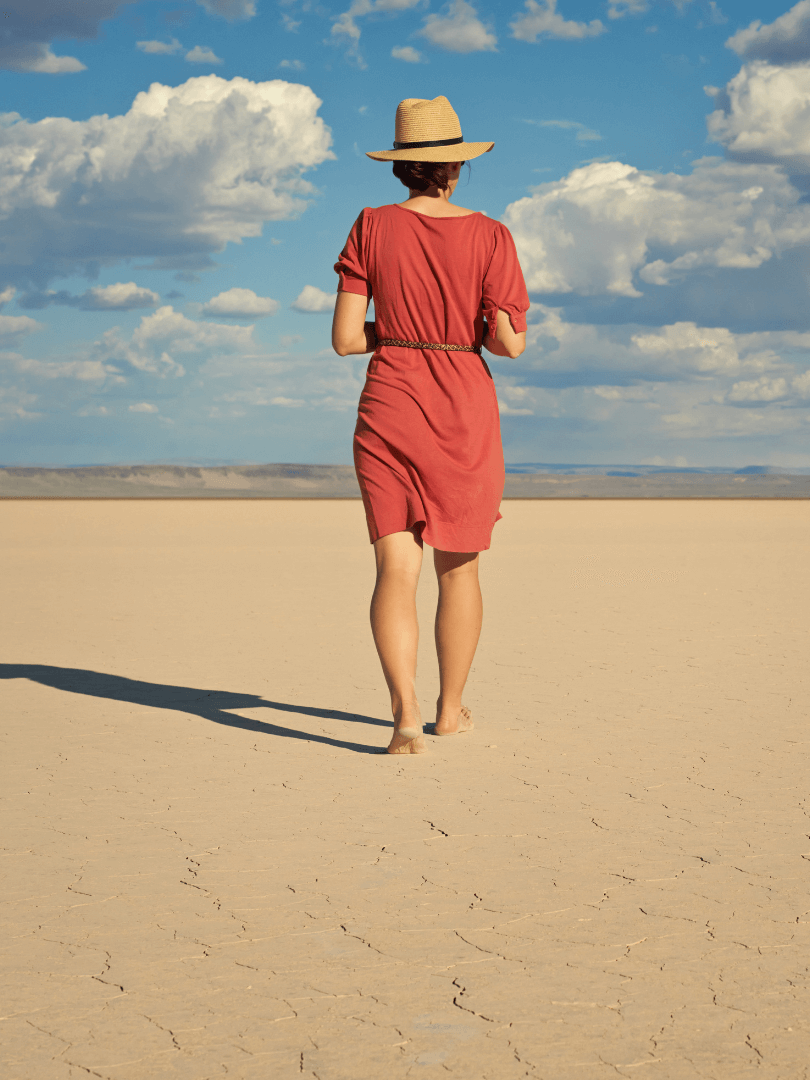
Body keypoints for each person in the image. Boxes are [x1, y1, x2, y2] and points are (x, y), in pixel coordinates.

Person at [332, 95, 529, 755]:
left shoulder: (370, 225)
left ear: (401, 168)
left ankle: (405, 718)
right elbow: (509, 345)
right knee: (460, 570)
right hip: (462, 407)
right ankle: (450, 711)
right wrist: (458, 328)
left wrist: (402, 331)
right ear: (455, 167)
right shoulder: (491, 235)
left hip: (389, 399)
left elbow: (343, 339)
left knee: (395, 566)